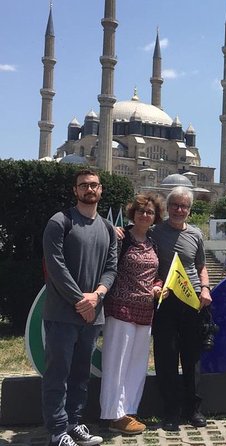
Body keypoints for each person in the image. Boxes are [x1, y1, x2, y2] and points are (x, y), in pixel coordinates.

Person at [42, 168, 117, 446]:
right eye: (83, 185)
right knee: (58, 374)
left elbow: (111, 268)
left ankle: (74, 423)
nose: (89, 189)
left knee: (80, 374)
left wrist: (97, 296)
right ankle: (57, 431)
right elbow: (56, 267)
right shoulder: (60, 222)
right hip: (63, 314)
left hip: (92, 315)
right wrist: (79, 300)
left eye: (94, 185)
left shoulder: (107, 228)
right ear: (75, 190)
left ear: (100, 190)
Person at [99, 194, 165, 435]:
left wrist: (158, 285)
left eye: (149, 212)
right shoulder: (121, 238)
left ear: (155, 216)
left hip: (145, 310)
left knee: (137, 364)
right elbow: (106, 263)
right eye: (141, 211)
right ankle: (113, 414)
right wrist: (110, 229)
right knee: (117, 362)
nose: (145, 215)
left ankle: (129, 409)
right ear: (133, 214)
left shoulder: (153, 243)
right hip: (120, 308)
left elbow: (156, 274)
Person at [150, 186, 212, 431]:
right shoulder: (156, 232)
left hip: (192, 300)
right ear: (168, 207)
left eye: (184, 206)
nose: (179, 210)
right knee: (166, 358)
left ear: (189, 210)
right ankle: (171, 411)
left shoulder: (196, 234)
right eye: (175, 205)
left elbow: (201, 267)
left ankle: (193, 409)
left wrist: (205, 288)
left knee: (191, 357)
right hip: (166, 302)